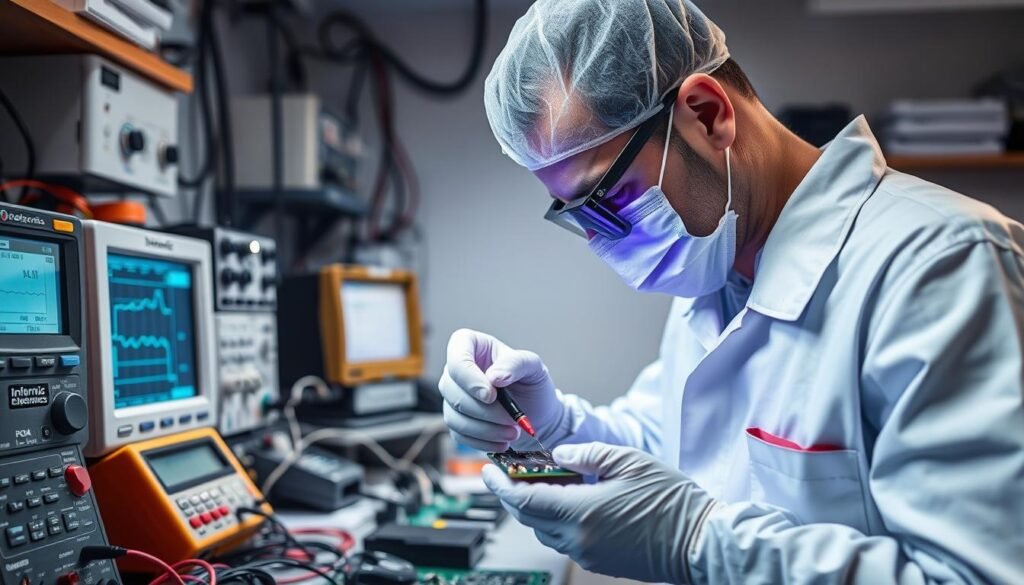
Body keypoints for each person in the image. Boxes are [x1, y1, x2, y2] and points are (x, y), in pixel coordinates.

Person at [438, 0, 1024, 583]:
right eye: (576, 215)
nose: (600, 243)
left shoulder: (942, 266)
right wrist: (549, 424)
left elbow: (976, 575)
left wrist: (697, 541)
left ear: (707, 113)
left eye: (608, 201)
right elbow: (671, 446)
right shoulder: (719, 268)